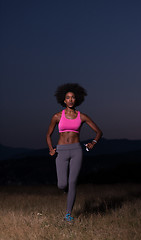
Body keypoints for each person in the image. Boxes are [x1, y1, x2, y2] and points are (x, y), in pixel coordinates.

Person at [46, 83, 103, 222]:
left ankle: (68, 214)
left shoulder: (82, 116)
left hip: (76, 150)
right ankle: (66, 191)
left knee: (72, 182)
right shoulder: (57, 116)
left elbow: (99, 132)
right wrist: (51, 149)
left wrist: (93, 143)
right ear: (64, 100)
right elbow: (48, 135)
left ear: (75, 100)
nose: (70, 100)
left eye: (73, 97)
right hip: (61, 151)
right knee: (62, 184)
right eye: (68, 97)